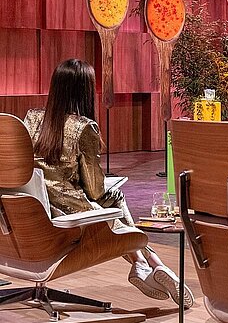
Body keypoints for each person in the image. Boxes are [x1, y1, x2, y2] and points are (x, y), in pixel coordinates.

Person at [24, 59, 193, 308]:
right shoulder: (83, 128)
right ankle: (151, 262)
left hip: (35, 208)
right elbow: (95, 190)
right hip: (71, 217)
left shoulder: (32, 119)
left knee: (111, 206)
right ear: (85, 91)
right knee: (113, 198)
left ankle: (143, 262)